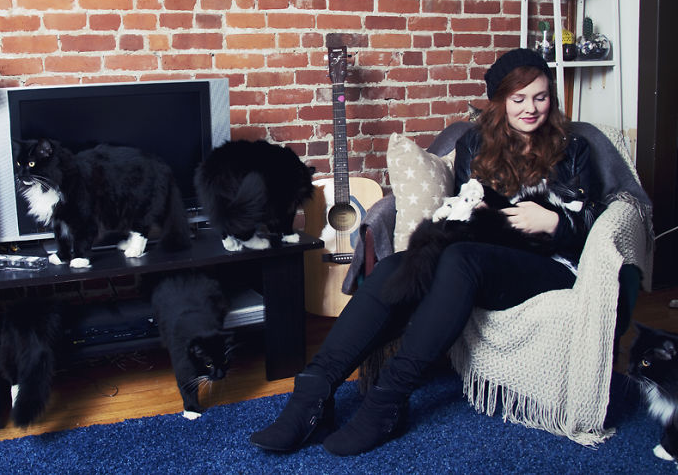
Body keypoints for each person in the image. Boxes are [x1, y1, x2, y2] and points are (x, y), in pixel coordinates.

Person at [249, 47, 603, 456]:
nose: (531, 108)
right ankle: (313, 393)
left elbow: (596, 217)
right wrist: (475, 213)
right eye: (518, 98)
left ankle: (388, 399)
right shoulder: (475, 143)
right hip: (487, 253)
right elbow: (468, 209)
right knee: (395, 267)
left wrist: (554, 222)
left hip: (547, 262)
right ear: (500, 101)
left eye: (540, 97)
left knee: (459, 257)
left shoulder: (574, 148)